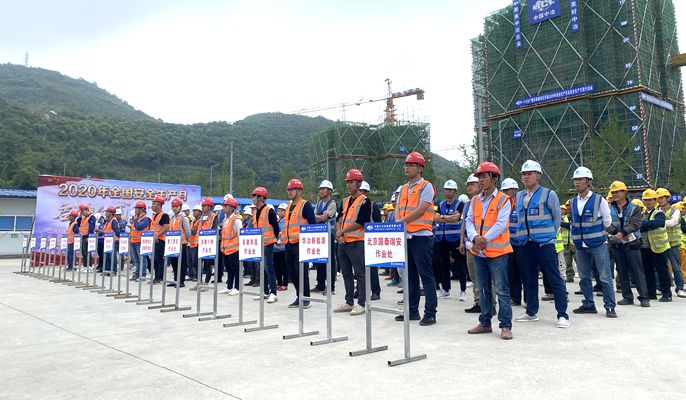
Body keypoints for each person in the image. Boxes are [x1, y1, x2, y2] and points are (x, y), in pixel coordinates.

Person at [512, 160, 569, 328]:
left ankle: (562, 315)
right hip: (525, 243)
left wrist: (548, 235)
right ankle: (531, 311)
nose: (526, 177)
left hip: (544, 243)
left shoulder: (548, 194)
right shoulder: (519, 196)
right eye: (524, 174)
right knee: (529, 279)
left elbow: (556, 218)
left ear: (538, 175)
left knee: (553, 278)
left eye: (529, 173)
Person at [465, 162, 513, 340]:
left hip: (497, 253)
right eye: (479, 177)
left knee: (501, 290)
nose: (480, 180)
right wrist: (475, 237)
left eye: (484, 176)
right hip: (479, 252)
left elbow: (501, 224)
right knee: (482, 288)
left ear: (494, 178)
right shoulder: (475, 200)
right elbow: (469, 221)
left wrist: (483, 239)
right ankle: (485, 323)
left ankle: (506, 325)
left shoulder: (504, 199)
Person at [394, 151, 437, 326]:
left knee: (425, 275)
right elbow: (397, 208)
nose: (407, 168)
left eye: (411, 165)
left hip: (421, 236)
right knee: (410, 275)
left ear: (420, 168)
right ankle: (412, 311)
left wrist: (401, 222)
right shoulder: (403, 188)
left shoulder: (426, 186)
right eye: (406, 165)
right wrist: (398, 223)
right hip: (406, 237)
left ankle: (430, 313)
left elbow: (421, 209)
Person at [569, 167, 617, 318]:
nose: (577, 182)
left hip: (598, 244)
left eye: (580, 179)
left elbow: (607, 222)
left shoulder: (599, 200)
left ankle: (610, 306)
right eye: (575, 180)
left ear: (588, 181)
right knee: (584, 277)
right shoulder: (573, 202)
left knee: (604, 276)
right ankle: (588, 304)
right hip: (580, 245)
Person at [334, 169, 372, 316]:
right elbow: (338, 219)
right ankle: (349, 302)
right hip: (343, 242)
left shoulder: (365, 201)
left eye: (351, 182)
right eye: (347, 182)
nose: (349, 185)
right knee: (346, 273)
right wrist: (339, 234)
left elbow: (361, 222)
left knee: (360, 273)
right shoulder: (344, 201)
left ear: (359, 183)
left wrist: (342, 231)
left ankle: (362, 303)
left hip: (357, 242)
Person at [606, 181, 649, 307]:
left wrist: (622, 233)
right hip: (617, 243)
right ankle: (627, 297)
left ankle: (644, 297)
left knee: (637, 271)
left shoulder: (635, 207)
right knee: (621, 270)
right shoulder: (608, 208)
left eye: (617, 192)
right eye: (613, 192)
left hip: (632, 243)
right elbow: (606, 223)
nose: (614, 194)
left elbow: (635, 224)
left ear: (625, 192)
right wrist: (616, 234)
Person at [282, 178, 317, 308]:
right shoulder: (288, 207)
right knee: (292, 273)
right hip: (288, 244)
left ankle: (306, 299)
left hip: (300, 244)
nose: (290, 192)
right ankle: (299, 296)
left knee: (302, 272)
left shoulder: (305, 205)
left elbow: (312, 224)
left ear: (299, 191)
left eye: (292, 189)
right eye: (288, 189)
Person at [433, 179, 464, 299]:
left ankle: (463, 291)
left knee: (460, 264)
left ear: (455, 191)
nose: (447, 192)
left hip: (455, 238)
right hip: (442, 238)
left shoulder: (460, 204)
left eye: (450, 190)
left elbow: (456, 218)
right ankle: (446, 289)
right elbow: (435, 218)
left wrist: (443, 217)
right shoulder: (441, 204)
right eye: (446, 190)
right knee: (443, 264)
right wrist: (448, 217)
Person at [640, 189, 673, 302]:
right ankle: (651, 293)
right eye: (645, 200)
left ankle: (667, 294)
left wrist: (643, 225)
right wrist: (645, 225)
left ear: (655, 201)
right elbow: (639, 226)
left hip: (659, 248)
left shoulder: (659, 213)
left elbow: (656, 223)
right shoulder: (642, 214)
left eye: (650, 200)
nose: (647, 202)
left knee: (662, 271)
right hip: (645, 248)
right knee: (648, 271)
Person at [251, 187, 280, 303]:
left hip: (268, 244)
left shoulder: (269, 211)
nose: (253, 199)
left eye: (255, 196)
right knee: (262, 268)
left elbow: (276, 227)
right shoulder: (255, 212)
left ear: (261, 198)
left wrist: (274, 239)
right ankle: (265, 291)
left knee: (269, 268)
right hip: (259, 244)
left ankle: (273, 292)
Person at [656, 188, 686, 297]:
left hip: (672, 243)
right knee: (660, 267)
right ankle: (659, 287)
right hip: (660, 243)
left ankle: (680, 288)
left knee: (676, 267)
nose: (659, 200)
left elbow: (672, 222)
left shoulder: (675, 211)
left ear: (667, 198)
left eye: (661, 197)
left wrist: (658, 222)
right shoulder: (657, 211)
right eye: (658, 198)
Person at [460, 174, 483, 313]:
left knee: (485, 276)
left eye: (472, 184)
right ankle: (478, 302)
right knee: (473, 275)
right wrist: (462, 241)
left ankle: (488, 303)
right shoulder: (468, 204)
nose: (470, 187)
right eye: (468, 185)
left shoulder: (484, 201)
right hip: (470, 245)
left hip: (482, 243)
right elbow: (464, 224)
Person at [501, 177, 524, 306]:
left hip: (522, 243)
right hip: (508, 244)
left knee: (525, 272)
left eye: (507, 190)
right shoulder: (504, 206)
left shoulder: (522, 205)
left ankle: (529, 299)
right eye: (503, 191)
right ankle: (515, 298)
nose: (504, 193)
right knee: (512, 272)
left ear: (515, 190)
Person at [312, 180, 337, 295]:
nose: (321, 191)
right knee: (320, 259)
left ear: (329, 191)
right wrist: (320, 217)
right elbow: (316, 217)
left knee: (329, 260)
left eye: (323, 189)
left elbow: (323, 218)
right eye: (320, 189)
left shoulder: (332, 203)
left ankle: (331, 286)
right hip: (319, 234)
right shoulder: (319, 203)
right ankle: (320, 284)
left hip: (329, 234)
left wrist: (318, 217)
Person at [360, 180, 381, 300]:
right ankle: (361, 290)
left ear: (367, 193)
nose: (361, 194)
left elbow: (378, 223)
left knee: (372, 268)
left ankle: (375, 291)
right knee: (359, 268)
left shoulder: (373, 206)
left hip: (371, 241)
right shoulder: (355, 206)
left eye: (363, 191)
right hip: (357, 240)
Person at [218, 197, 242, 295]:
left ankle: (237, 287)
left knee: (236, 269)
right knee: (229, 269)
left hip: (235, 249)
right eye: (224, 205)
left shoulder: (236, 220)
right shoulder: (225, 220)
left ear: (232, 208)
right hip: (226, 249)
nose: (224, 207)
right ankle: (229, 286)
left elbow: (240, 234)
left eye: (226, 206)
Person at [168, 198, 191, 288]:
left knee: (181, 263)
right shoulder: (172, 218)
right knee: (173, 262)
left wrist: (188, 241)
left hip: (181, 243)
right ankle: (176, 279)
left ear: (180, 207)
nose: (174, 208)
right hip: (172, 244)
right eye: (173, 207)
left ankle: (181, 281)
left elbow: (187, 231)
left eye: (176, 206)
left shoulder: (184, 218)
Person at [150, 196, 169, 284]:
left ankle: (160, 277)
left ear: (159, 205)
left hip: (160, 240)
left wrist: (157, 235)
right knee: (154, 259)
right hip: (154, 240)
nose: (152, 205)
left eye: (154, 204)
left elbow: (166, 227)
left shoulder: (164, 215)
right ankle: (156, 276)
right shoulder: (154, 215)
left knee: (159, 259)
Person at [130, 201, 151, 280]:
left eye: (136, 209)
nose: (135, 210)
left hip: (140, 241)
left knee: (142, 258)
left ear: (141, 209)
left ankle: (143, 274)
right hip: (133, 241)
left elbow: (139, 227)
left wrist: (135, 220)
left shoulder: (145, 219)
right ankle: (137, 273)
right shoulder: (138, 219)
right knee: (136, 259)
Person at [560, 201, 576, 283]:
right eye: (568, 206)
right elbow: (560, 224)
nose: (569, 208)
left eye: (570, 206)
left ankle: (585, 277)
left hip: (575, 243)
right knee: (567, 262)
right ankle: (570, 276)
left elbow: (574, 226)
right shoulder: (563, 217)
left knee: (580, 262)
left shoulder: (576, 217)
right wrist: (567, 225)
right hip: (566, 243)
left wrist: (567, 225)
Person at [102, 206, 121, 274]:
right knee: (107, 256)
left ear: (111, 213)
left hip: (113, 241)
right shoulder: (108, 221)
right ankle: (107, 270)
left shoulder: (113, 221)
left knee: (112, 256)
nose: (106, 213)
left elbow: (117, 231)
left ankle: (113, 270)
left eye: (107, 212)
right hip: (107, 241)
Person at [274, 203, 289, 291]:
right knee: (277, 267)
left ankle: (284, 284)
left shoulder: (286, 221)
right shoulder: (278, 221)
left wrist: (279, 239)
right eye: (278, 211)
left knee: (284, 267)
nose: (279, 212)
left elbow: (283, 233)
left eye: (281, 211)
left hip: (283, 247)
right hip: (276, 248)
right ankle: (279, 283)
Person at [76, 204, 96, 270]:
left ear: (86, 210)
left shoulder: (91, 217)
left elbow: (91, 228)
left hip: (87, 237)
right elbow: (78, 224)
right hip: (83, 236)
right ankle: (85, 266)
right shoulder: (84, 218)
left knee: (87, 252)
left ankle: (89, 266)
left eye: (82, 211)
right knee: (84, 252)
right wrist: (80, 216)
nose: (82, 213)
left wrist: (89, 237)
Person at [186, 204, 203, 282]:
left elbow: (193, 231)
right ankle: (191, 275)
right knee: (189, 261)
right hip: (190, 243)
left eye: (196, 211)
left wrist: (188, 231)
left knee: (195, 261)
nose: (194, 212)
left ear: (200, 212)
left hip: (196, 244)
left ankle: (197, 276)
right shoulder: (193, 221)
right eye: (193, 210)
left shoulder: (200, 221)